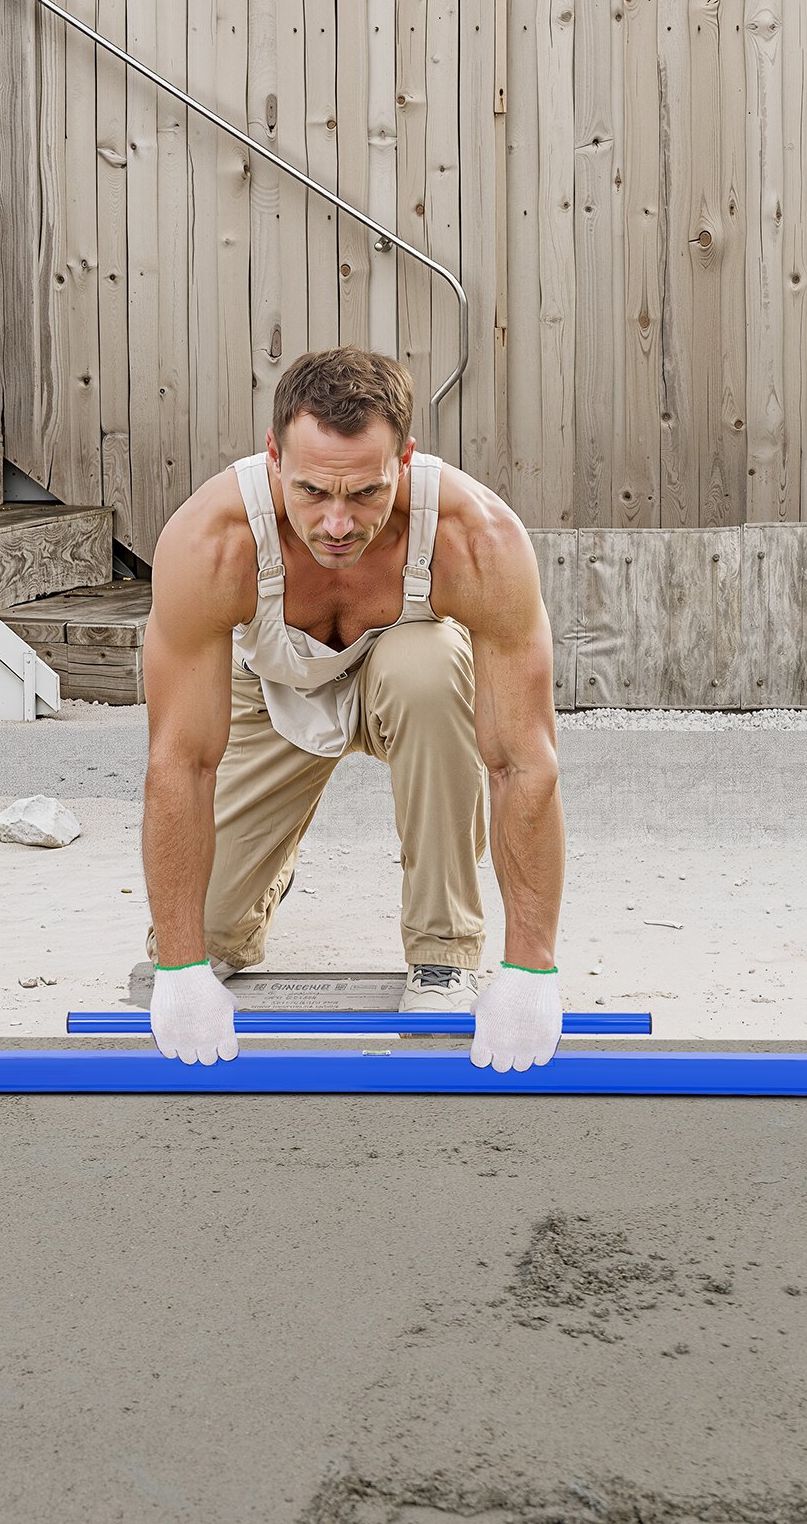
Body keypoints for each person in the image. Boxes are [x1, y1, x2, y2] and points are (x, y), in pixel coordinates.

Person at [140, 347, 565, 1071]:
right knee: (202, 937)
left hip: (413, 682)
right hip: (271, 686)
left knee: (429, 667)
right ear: (274, 458)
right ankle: (259, 879)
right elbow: (181, 761)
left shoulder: (477, 538)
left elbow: (521, 761)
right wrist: (181, 969)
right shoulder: (212, 541)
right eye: (312, 492)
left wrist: (532, 971)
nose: (337, 524)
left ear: (405, 461)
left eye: (365, 494)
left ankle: (443, 953)